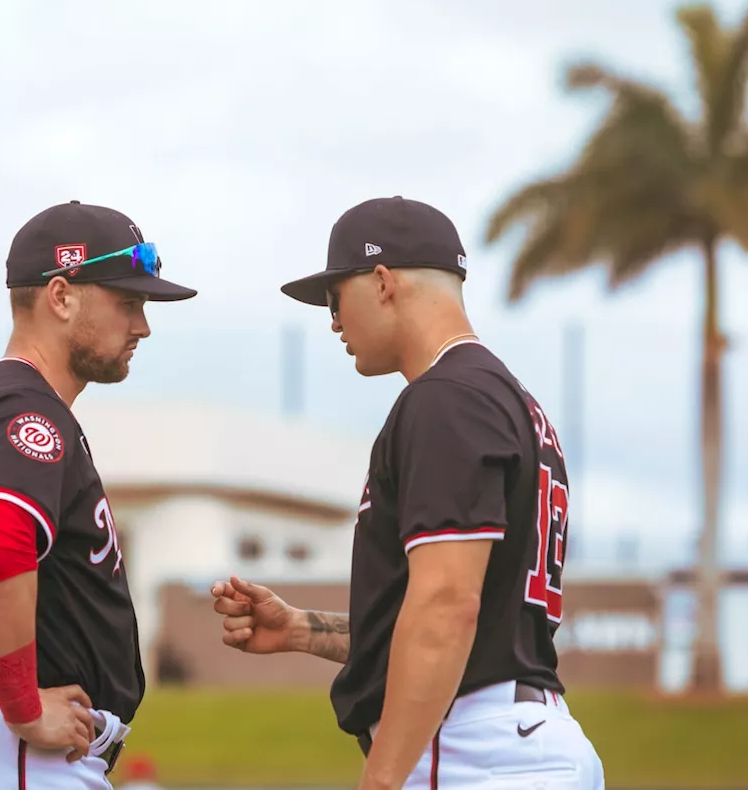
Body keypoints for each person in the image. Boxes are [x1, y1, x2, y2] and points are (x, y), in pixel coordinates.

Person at [211, 196, 605, 789]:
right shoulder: (502, 396)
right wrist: (298, 629)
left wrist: (382, 780)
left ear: (382, 282)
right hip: (515, 737)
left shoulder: (446, 399)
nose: (334, 321)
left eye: (335, 297)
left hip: (474, 747)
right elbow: (480, 622)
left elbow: (448, 606)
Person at [0, 200, 197, 789]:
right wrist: (19, 704)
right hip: (12, 752)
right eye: (128, 301)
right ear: (61, 295)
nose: (143, 325)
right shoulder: (24, 408)